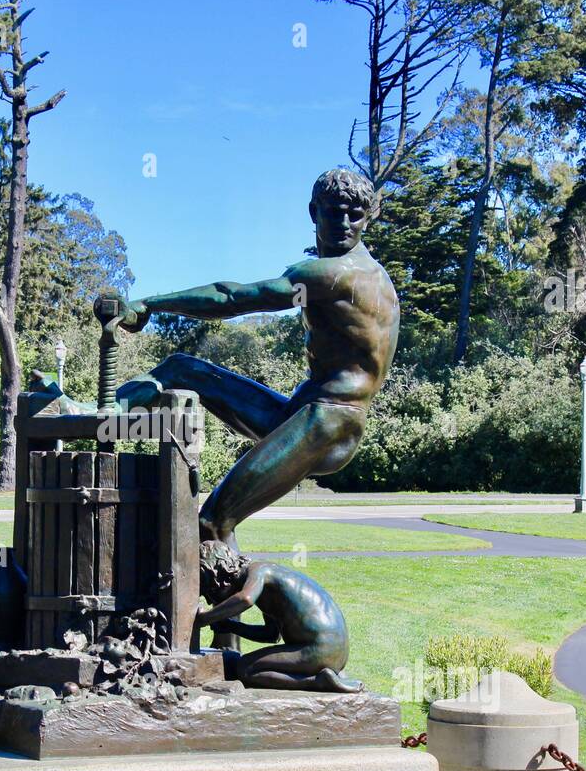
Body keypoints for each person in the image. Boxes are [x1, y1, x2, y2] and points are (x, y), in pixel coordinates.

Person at [98, 168, 400, 549]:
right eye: (334, 211)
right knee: (182, 369)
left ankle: (231, 606)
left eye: (354, 215)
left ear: (367, 217)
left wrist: (149, 304)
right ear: (314, 212)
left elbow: (233, 298)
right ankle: (104, 415)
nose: (343, 223)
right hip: (304, 412)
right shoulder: (347, 274)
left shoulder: (334, 275)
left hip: (329, 422)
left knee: (211, 524)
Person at [195, 540, 362, 693]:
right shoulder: (270, 589)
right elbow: (271, 635)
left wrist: (204, 618)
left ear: (221, 575)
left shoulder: (261, 571)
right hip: (333, 652)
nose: (211, 600)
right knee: (245, 666)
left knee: (245, 668)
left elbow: (245, 599)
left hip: (320, 649)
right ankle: (323, 677)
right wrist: (231, 626)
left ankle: (316, 682)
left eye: (211, 591)